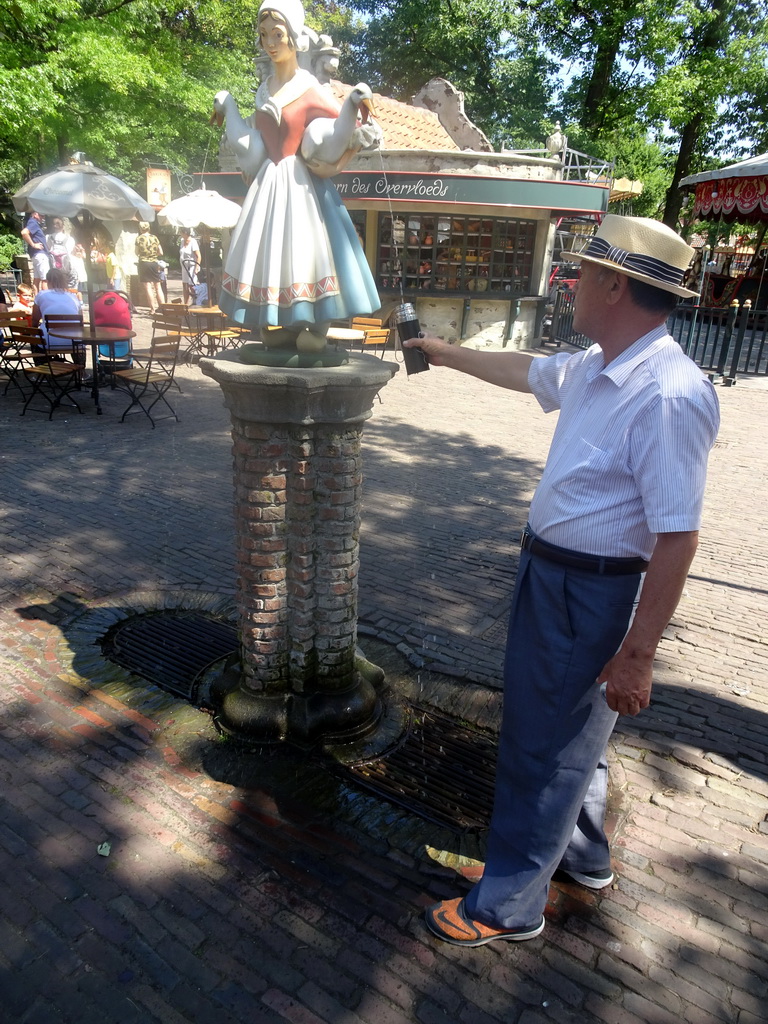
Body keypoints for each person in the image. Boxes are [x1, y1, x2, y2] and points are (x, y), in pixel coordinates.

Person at [410, 215, 721, 948]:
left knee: (541, 748)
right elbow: (529, 371)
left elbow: (678, 535)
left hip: (589, 592)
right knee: (579, 739)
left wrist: (639, 652)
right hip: (556, 577)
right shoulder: (600, 363)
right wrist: (441, 353)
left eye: (581, 273)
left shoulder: (669, 393)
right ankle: (582, 860)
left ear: (615, 285)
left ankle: (506, 905)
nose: (569, 284)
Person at [213, 0, 380, 352]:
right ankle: (287, 322)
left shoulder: (308, 87)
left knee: (310, 252)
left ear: (293, 37)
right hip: (269, 186)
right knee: (275, 253)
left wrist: (353, 103)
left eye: (277, 34)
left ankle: (318, 326)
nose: (270, 43)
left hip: (304, 190)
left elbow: (339, 130)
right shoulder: (264, 90)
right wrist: (227, 106)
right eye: (264, 35)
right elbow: (252, 147)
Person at [31, 267, 83, 344]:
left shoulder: (41, 295)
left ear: (47, 282)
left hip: (48, 341)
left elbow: (35, 320)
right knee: (78, 347)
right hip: (74, 341)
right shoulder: (73, 297)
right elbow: (81, 320)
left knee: (36, 344)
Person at [135, 222, 164, 313]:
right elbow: (161, 252)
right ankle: (163, 307)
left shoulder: (139, 239)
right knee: (158, 286)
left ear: (140, 228)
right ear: (149, 228)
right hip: (154, 263)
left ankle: (152, 309)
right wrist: (154, 254)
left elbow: (136, 252)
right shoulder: (154, 238)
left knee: (148, 287)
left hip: (144, 263)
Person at [20, 211, 50, 293]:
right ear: (35, 214)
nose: (43, 218)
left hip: (36, 255)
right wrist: (33, 245)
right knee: (45, 279)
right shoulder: (33, 223)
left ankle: (37, 301)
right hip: (40, 254)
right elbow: (24, 232)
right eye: (41, 215)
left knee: (37, 279)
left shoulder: (31, 222)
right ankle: (47, 301)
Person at [46, 217, 76, 288]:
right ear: (63, 226)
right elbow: (70, 250)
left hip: (53, 267)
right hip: (65, 267)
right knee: (66, 285)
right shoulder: (69, 239)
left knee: (54, 284)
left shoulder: (48, 237)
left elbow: (49, 247)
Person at [179, 229, 201, 304]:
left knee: (192, 285)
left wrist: (197, 267)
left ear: (185, 233)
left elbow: (198, 256)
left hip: (192, 266)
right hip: (184, 267)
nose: (180, 234)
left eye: (181, 232)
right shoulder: (182, 241)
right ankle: (186, 304)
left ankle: (196, 302)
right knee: (185, 286)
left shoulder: (193, 242)